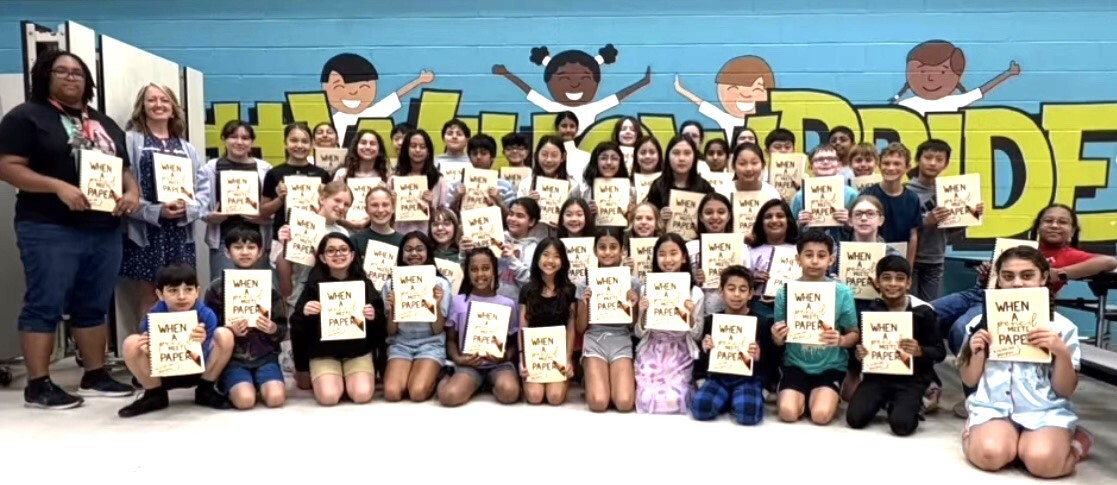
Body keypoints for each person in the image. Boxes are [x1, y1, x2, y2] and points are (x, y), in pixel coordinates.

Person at [0, 50, 140, 409]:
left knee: (93, 304)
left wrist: (132, 192)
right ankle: (38, 384)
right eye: (61, 71)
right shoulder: (26, 117)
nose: (70, 77)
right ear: (45, 76)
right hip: (49, 225)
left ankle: (95, 374)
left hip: (103, 226)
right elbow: (8, 166)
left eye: (77, 72)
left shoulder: (103, 122)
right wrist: (57, 187)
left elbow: (123, 168)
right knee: (44, 303)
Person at [959, 246, 1091, 478]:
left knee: (1044, 464)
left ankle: (1075, 441)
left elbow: (1065, 390)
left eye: (1027, 275)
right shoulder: (980, 323)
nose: (1017, 283)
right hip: (994, 407)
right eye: (1008, 276)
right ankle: (985, 434)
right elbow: (969, 380)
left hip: (1044, 409)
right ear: (999, 280)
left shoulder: (1062, 327)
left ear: (1043, 278)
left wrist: (1061, 353)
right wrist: (978, 351)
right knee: (990, 455)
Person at [121, 83, 210, 320]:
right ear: (142, 106)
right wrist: (156, 211)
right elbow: (122, 185)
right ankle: (149, 342)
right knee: (151, 294)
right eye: (152, 100)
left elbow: (203, 190)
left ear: (173, 109)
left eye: (164, 100)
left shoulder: (186, 147)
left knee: (182, 294)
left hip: (179, 233)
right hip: (146, 231)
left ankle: (180, 343)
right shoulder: (130, 141)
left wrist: (188, 209)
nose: (158, 105)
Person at [118, 263, 234, 417]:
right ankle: (154, 394)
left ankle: (206, 390)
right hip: (164, 373)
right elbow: (147, 350)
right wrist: (148, 350)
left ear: (197, 292)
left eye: (188, 290)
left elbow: (214, 348)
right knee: (132, 342)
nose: (181, 296)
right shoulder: (152, 317)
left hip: (199, 372)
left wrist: (203, 343)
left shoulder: (206, 315)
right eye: (173, 290)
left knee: (225, 334)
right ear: (160, 294)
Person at [846, 255, 944, 436]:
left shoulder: (923, 312)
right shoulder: (871, 312)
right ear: (877, 282)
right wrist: (859, 355)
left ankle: (917, 398)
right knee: (855, 419)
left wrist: (920, 351)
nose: (893, 284)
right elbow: (859, 350)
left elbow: (940, 352)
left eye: (899, 278)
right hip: (877, 376)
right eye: (886, 278)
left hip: (912, 379)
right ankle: (886, 401)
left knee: (902, 425)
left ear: (908, 283)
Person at [772, 229, 859, 425]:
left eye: (821, 256)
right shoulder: (785, 292)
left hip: (831, 365)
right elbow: (778, 338)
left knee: (820, 415)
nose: (814, 261)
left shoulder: (842, 292)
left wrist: (841, 340)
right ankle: (797, 392)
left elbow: (854, 333)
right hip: (795, 364)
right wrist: (777, 337)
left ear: (831, 260)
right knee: (788, 413)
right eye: (808, 255)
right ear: (798, 259)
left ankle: (824, 393)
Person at [290, 233, 386, 405]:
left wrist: (374, 317)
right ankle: (334, 380)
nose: (338, 254)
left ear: (352, 255)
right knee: (329, 397)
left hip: (358, 353)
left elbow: (381, 326)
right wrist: (305, 313)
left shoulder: (364, 284)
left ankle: (348, 379)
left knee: (361, 395)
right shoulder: (313, 286)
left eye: (343, 249)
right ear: (322, 257)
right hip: (323, 354)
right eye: (331, 251)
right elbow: (296, 326)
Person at [204, 227, 288, 410]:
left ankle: (259, 382)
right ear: (227, 252)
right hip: (234, 359)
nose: (244, 252)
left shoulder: (269, 288)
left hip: (265, 356)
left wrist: (273, 328)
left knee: (275, 399)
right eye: (238, 247)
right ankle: (231, 381)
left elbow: (282, 328)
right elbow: (208, 329)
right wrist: (229, 329)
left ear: (260, 252)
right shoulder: (216, 288)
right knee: (245, 401)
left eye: (251, 247)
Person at [439, 247, 522, 406]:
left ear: (494, 270)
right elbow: (450, 339)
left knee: (510, 393)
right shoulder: (458, 302)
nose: (480, 274)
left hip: (499, 365)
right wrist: (458, 359)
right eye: (474, 269)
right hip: (469, 364)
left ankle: (487, 385)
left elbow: (513, 342)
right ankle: (449, 377)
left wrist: (504, 356)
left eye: (485, 268)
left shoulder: (508, 304)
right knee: (449, 397)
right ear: (467, 273)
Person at [906, 139, 985, 301]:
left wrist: (970, 215)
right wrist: (925, 221)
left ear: (946, 164)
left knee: (930, 307)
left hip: (935, 259)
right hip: (909, 259)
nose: (933, 163)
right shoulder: (906, 191)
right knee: (908, 306)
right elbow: (897, 227)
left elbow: (951, 231)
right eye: (928, 157)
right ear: (918, 159)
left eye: (939, 159)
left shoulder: (949, 191)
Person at [691, 265, 769, 425]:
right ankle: (730, 399)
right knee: (701, 408)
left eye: (743, 289)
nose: (736, 294)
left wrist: (759, 356)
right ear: (722, 291)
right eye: (731, 289)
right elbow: (701, 360)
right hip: (718, 377)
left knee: (749, 413)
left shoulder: (761, 322)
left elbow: (771, 361)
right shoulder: (712, 321)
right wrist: (705, 349)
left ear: (750, 293)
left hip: (748, 379)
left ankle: (733, 399)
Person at [634, 234, 703, 414]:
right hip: (652, 349)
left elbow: (697, 335)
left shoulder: (695, 292)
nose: (668, 259)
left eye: (673, 253)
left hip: (681, 351)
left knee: (675, 399)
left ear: (684, 257)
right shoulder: (646, 289)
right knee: (646, 397)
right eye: (662, 254)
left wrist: (690, 316)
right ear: (656, 258)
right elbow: (639, 333)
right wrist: (643, 312)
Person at [382, 232, 451, 402]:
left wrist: (435, 304)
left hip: (431, 343)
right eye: (408, 249)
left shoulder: (440, 284)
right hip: (400, 344)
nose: (414, 253)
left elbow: (438, 330)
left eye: (420, 249)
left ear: (428, 253)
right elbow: (391, 331)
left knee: (417, 393)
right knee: (392, 393)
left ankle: (440, 374)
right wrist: (393, 308)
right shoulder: (390, 284)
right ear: (401, 254)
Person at [576, 228, 639, 412]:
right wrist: (585, 303)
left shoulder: (632, 282)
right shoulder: (585, 282)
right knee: (598, 402)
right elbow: (580, 327)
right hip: (594, 340)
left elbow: (634, 326)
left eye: (613, 247)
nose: (608, 252)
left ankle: (604, 379)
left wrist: (634, 305)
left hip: (621, 339)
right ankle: (590, 377)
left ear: (622, 251)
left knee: (624, 403)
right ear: (595, 251)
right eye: (602, 247)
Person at [519, 238, 578, 405]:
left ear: (563, 261)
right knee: (535, 397)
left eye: (556, 256)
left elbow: (571, 327)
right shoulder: (527, 290)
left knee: (555, 397)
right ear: (537, 258)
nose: (550, 260)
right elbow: (523, 326)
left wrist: (568, 359)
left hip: (558, 355)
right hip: (534, 356)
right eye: (546, 255)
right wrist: (522, 360)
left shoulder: (569, 290)